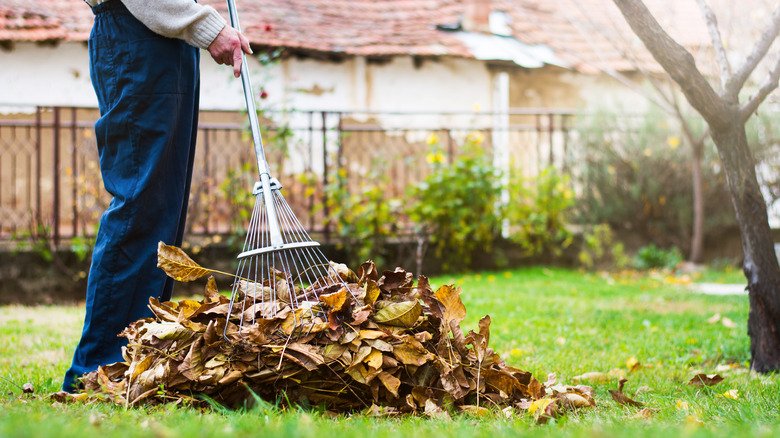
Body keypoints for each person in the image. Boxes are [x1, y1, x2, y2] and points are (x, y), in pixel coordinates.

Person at [63, 0, 251, 392]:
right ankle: (99, 367)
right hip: (138, 33)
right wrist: (205, 24)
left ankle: (138, 357)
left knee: (164, 208)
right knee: (141, 204)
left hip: (164, 40)